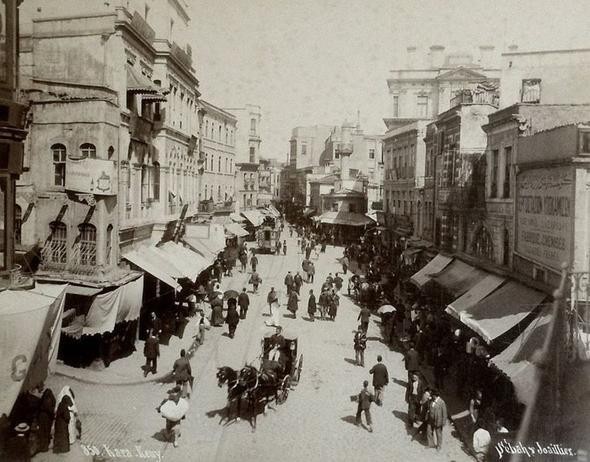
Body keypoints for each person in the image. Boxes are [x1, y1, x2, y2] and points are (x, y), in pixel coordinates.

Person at [36, 388, 55, 453]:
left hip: (41, 418)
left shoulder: (42, 400)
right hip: (47, 419)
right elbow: (51, 411)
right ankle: (45, 447)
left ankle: (41, 446)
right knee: (46, 432)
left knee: (42, 432)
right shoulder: (49, 401)